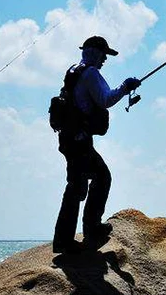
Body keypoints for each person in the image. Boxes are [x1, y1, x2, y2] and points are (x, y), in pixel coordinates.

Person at [53, 36, 140, 254]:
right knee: (98, 178)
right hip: (79, 139)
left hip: (68, 137)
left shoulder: (73, 70)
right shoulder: (90, 73)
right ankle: (88, 229)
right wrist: (126, 86)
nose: (104, 60)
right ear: (94, 52)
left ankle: (67, 238)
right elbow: (105, 100)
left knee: (78, 184)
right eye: (103, 55)